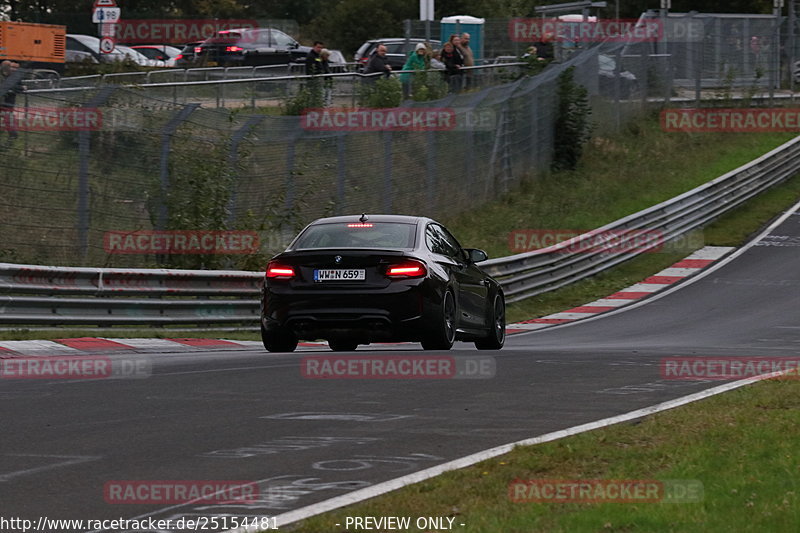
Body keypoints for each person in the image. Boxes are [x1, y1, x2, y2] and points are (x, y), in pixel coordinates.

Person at [1, 61, 24, 140]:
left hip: (8, 103)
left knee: (9, 119)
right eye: (11, 67)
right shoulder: (2, 76)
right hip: (4, 102)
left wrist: (21, 88)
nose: (12, 69)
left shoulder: (15, 77)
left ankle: (13, 136)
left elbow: (17, 86)